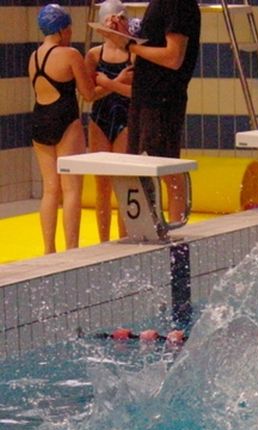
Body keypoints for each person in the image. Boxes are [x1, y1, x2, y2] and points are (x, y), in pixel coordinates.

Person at [113, 0, 201, 222]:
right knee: (138, 167)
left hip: (163, 99)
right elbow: (152, 47)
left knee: (167, 168)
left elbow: (173, 57)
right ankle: (147, 229)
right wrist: (125, 37)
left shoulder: (177, 4)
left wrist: (130, 46)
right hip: (145, 96)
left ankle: (177, 229)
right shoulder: (159, 4)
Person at [29, 4, 96, 254]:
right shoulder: (70, 55)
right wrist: (114, 84)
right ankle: (72, 249)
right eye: (69, 29)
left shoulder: (34, 57)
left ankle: (48, 249)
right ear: (61, 29)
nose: (70, 33)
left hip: (39, 121)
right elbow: (88, 94)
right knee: (71, 189)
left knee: (50, 189)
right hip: (65, 121)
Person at [86, 0, 134, 241]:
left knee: (123, 183)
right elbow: (88, 95)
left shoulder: (134, 54)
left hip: (126, 119)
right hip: (99, 120)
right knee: (102, 185)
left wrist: (107, 83)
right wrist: (115, 82)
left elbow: (136, 93)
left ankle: (124, 239)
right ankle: (103, 242)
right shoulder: (94, 55)